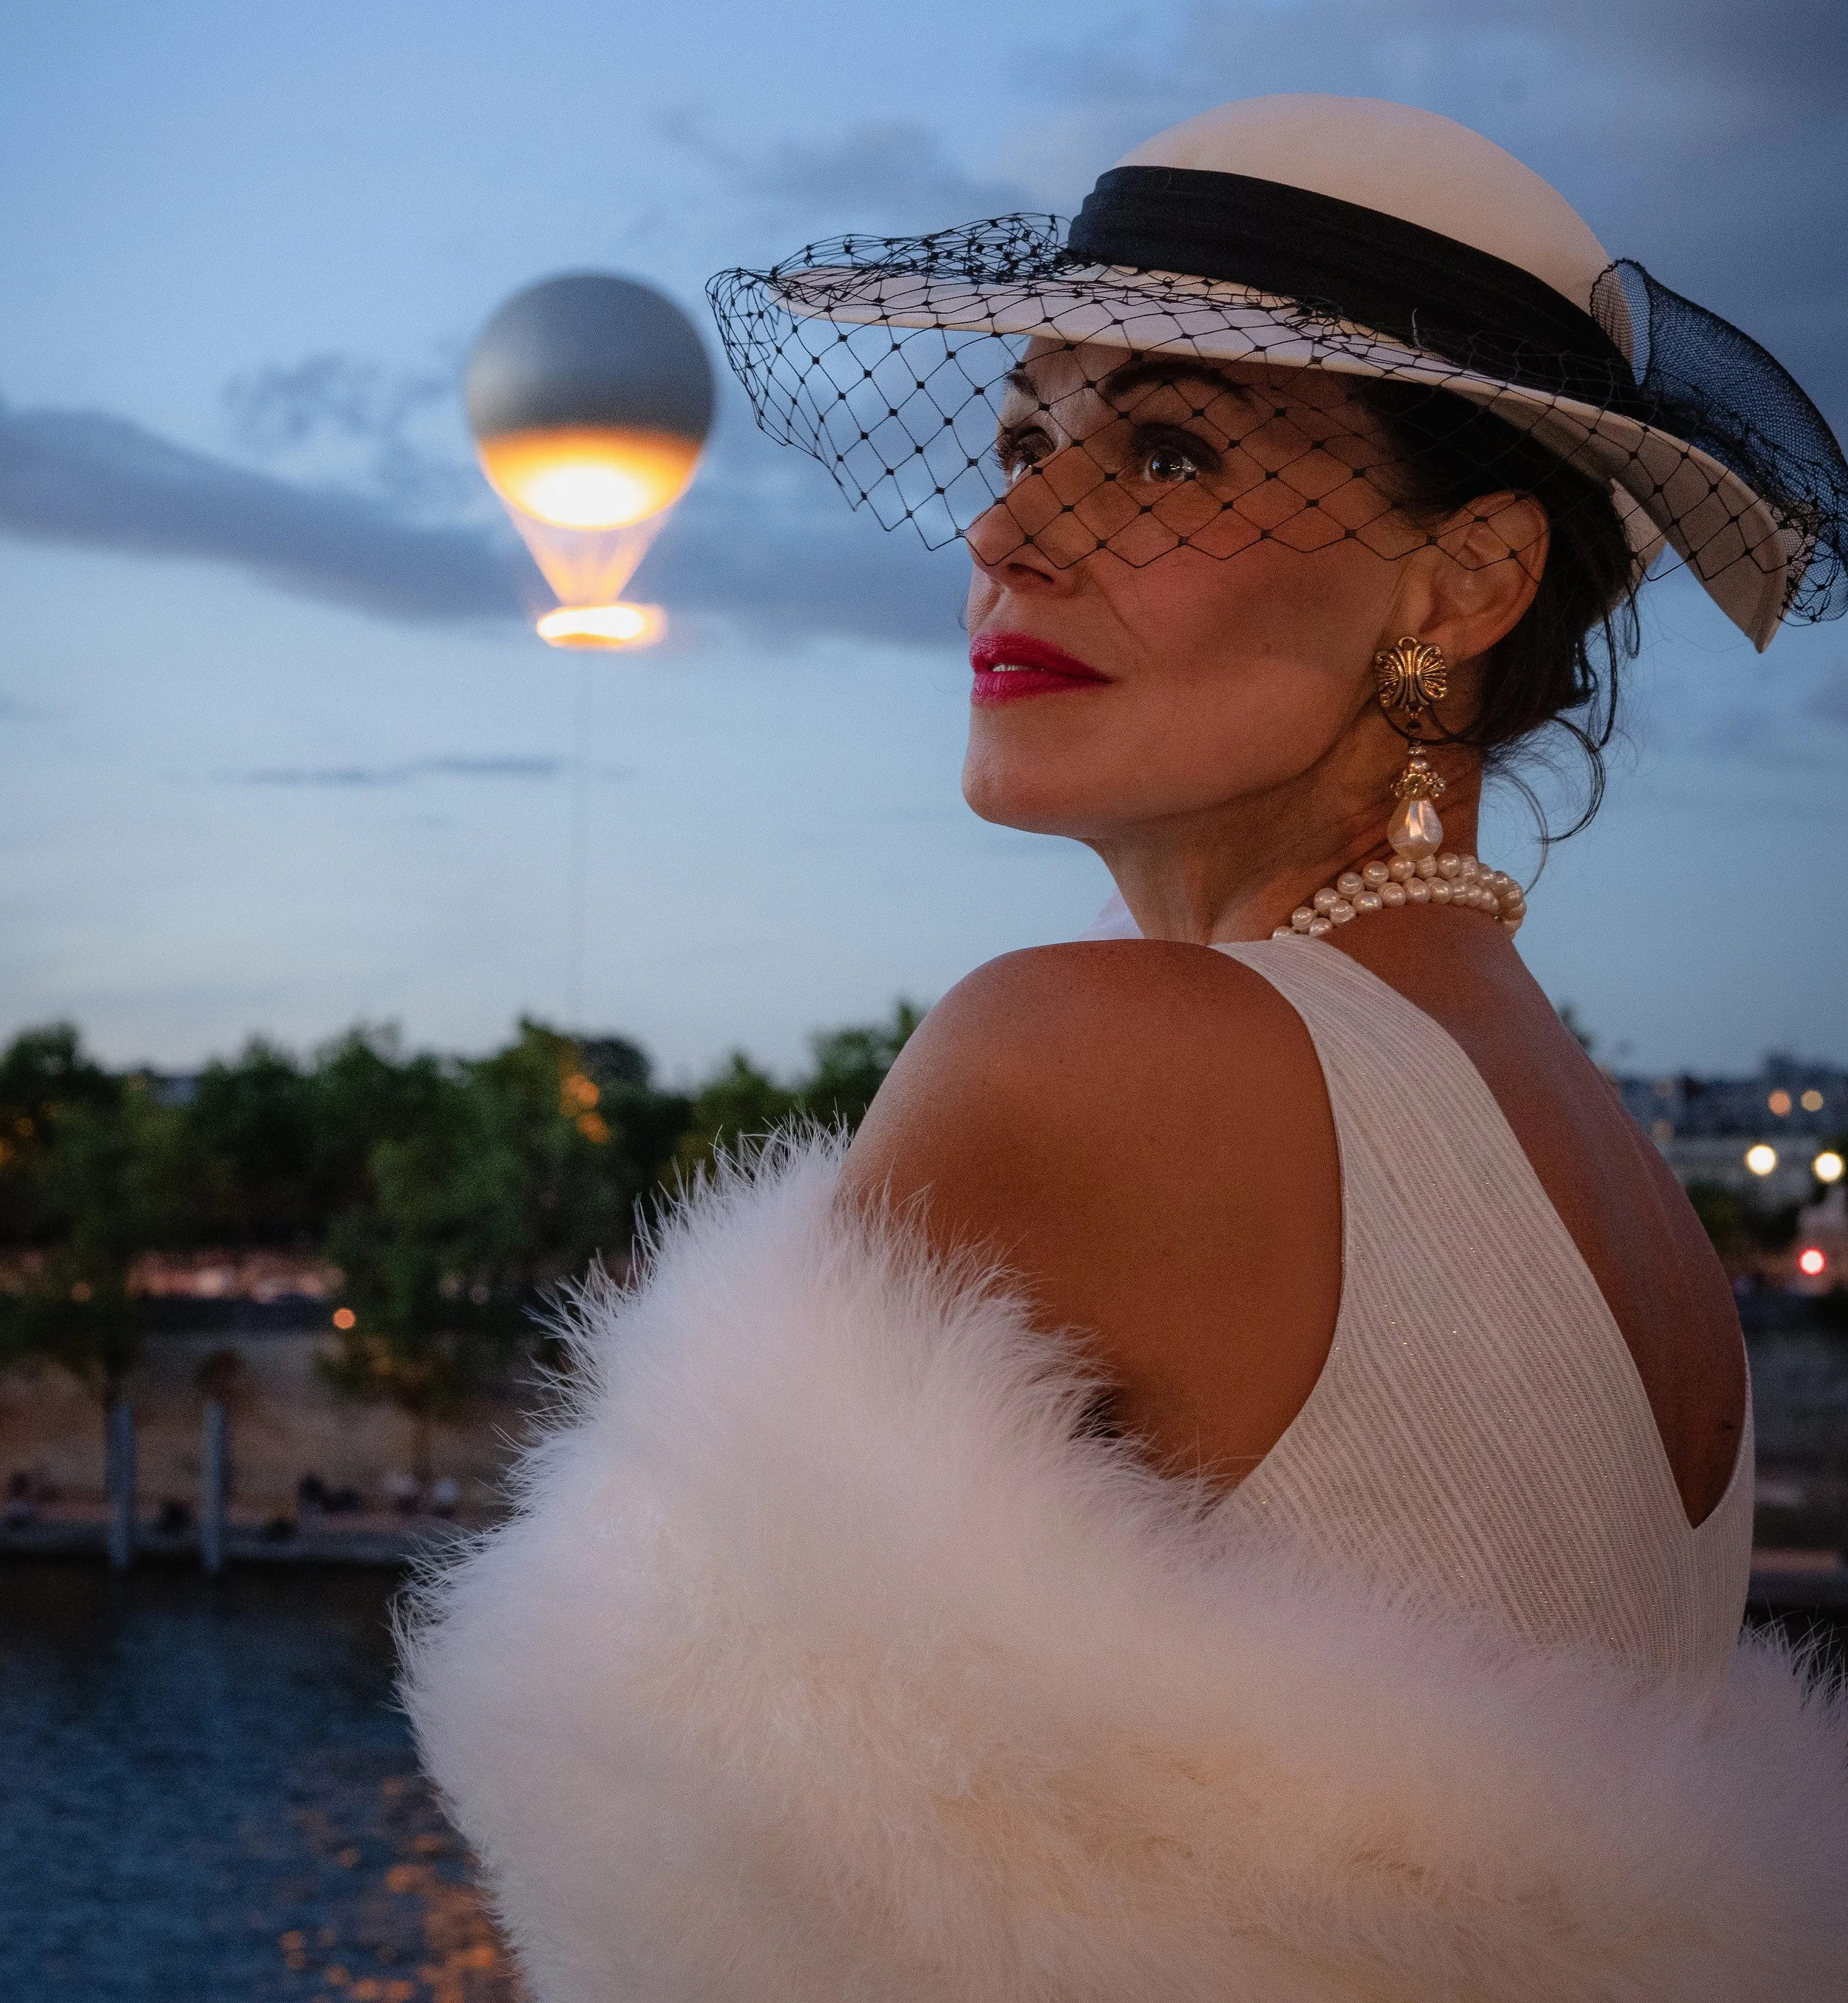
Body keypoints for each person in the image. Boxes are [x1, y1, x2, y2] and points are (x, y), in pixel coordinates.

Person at [405, 97, 1848, 2001]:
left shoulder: (1100, 1052)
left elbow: (676, 1870)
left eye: (1168, 451)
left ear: (1467, 580)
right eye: (1025, 439)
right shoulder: (1615, 1180)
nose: (1008, 528)